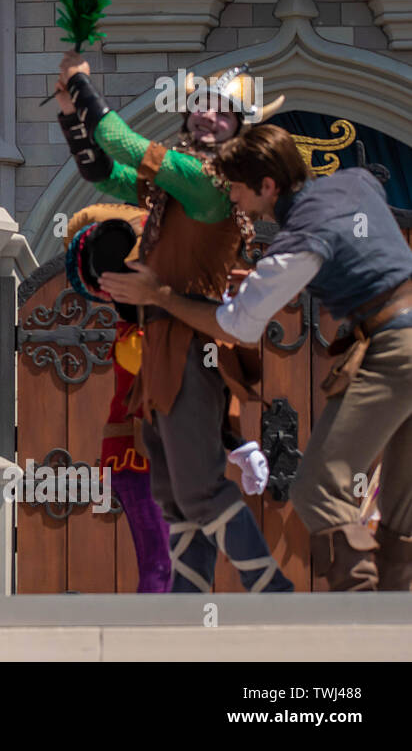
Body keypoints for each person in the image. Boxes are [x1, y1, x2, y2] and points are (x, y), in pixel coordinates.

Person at [102, 123, 412, 592]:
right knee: (402, 506)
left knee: (318, 488)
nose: (235, 201)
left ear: (267, 185)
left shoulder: (299, 242)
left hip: (396, 350)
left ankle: (361, 616)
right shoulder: (356, 181)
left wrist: (161, 294)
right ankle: (396, 626)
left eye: (240, 190)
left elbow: (237, 325)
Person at [52, 52, 291, 593]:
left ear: (240, 131)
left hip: (189, 345)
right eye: (201, 107)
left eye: (224, 113)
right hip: (161, 346)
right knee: (173, 495)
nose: (207, 117)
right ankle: (187, 614)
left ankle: (274, 594)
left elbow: (120, 143)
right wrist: (71, 114)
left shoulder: (207, 183)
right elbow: (99, 170)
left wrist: (82, 82)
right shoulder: (178, 190)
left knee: (201, 489)